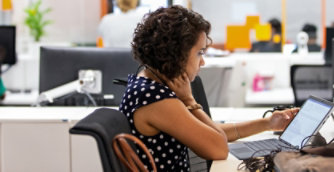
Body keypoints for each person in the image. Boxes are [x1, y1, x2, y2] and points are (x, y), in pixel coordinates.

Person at [119, 6, 298, 171]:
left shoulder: (149, 83)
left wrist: (268, 124)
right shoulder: (155, 99)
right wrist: (190, 101)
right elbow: (219, 148)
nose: (202, 62)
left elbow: (211, 131)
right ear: (176, 53)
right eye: (199, 53)